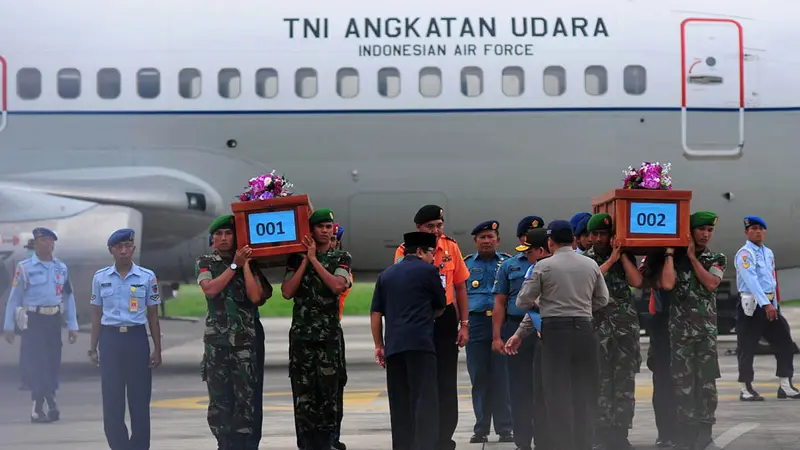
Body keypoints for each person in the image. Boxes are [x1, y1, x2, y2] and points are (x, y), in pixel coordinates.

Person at [516, 220, 609, 450]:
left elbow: (522, 301)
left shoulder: (544, 266)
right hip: (585, 331)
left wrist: (543, 305)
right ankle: (584, 444)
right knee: (585, 393)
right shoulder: (590, 264)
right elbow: (602, 300)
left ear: (550, 241)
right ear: (573, 238)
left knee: (557, 395)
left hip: (556, 333)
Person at [393, 204, 469, 450]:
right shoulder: (404, 251)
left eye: (439, 226)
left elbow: (460, 287)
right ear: (419, 228)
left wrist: (464, 324)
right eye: (430, 226)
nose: (436, 230)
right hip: (418, 320)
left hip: (445, 317)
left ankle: (444, 437)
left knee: (446, 381)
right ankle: (419, 437)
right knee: (420, 383)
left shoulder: (451, 247)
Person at [196, 215, 271, 449]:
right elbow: (210, 289)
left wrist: (245, 264)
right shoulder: (206, 262)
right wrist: (234, 266)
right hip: (217, 345)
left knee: (245, 401)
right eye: (218, 234)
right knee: (219, 401)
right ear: (212, 240)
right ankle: (223, 444)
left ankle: (243, 444)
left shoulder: (249, 264)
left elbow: (257, 296)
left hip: (244, 346)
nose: (223, 238)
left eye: (228, 233)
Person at [282, 208, 352, 450]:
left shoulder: (341, 258)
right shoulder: (295, 258)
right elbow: (287, 291)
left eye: (328, 227)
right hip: (302, 339)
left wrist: (314, 260)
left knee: (328, 398)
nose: (325, 231)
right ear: (311, 230)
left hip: (328, 340)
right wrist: (304, 260)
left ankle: (327, 443)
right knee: (303, 398)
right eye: (320, 227)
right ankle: (306, 444)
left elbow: (337, 286)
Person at [371, 231, 445, 450]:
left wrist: (379, 345)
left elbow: (376, 314)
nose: (433, 258)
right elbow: (441, 305)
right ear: (421, 251)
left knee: (399, 402)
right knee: (425, 400)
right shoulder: (429, 271)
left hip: (393, 346)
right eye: (431, 253)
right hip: (420, 345)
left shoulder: (386, 275)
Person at [88, 228, 162, 449]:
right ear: (111, 250)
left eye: (127, 246)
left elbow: (153, 316)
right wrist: (93, 347)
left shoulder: (147, 277)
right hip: (110, 341)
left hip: (136, 339)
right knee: (112, 400)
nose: (123, 251)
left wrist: (157, 348)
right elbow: (96, 315)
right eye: (118, 247)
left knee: (139, 400)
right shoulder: (100, 278)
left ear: (134, 249)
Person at [663, 211, 726, 450]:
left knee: (707, 384)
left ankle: (705, 434)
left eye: (710, 230)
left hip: (705, 334)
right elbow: (668, 284)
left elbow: (710, 283)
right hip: (680, 335)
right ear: (691, 232)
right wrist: (672, 254)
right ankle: (686, 434)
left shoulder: (717, 258)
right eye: (702, 229)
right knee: (683, 384)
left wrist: (692, 258)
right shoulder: (675, 259)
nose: (706, 234)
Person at [3, 227, 78, 423]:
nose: (46, 244)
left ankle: (50, 398)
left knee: (52, 363)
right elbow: (14, 298)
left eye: (49, 241)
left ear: (53, 243)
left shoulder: (61, 268)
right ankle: (37, 407)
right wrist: (8, 325)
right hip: (33, 320)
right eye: (42, 241)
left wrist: (72, 325)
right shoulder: (24, 268)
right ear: (36, 244)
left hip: (53, 319)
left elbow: (68, 297)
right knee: (37, 364)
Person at [582, 213, 643, 449]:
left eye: (604, 234)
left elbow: (637, 282)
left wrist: (622, 256)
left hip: (625, 331)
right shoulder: (585, 261)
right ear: (588, 236)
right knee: (600, 382)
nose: (599, 238)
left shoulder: (624, 258)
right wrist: (611, 259)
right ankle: (601, 433)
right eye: (595, 234)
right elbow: (590, 280)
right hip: (598, 331)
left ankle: (621, 432)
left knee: (624, 383)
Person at [491, 215, 544, 450]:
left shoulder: (551, 265)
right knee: (519, 387)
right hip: (516, 328)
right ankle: (522, 439)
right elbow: (500, 302)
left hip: (544, 330)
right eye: (526, 236)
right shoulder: (509, 265)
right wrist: (497, 336)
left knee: (544, 387)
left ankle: (545, 438)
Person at [735, 216, 800, 401]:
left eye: (761, 228)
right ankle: (746, 389)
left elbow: (770, 281)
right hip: (752, 306)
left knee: (785, 342)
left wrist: (774, 305)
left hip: (770, 305)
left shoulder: (768, 253)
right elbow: (752, 282)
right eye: (753, 228)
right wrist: (766, 304)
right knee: (747, 347)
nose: (758, 231)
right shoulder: (745, 254)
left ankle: (785, 385)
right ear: (747, 232)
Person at [462, 220, 513, 444]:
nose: (486, 241)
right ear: (475, 241)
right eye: (481, 237)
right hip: (476, 325)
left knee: (502, 377)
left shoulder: (508, 263)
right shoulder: (465, 265)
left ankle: (505, 428)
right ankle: (481, 428)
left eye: (490, 236)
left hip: (501, 325)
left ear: (497, 240)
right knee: (479, 377)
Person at [504, 228, 553, 450]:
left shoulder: (543, 269)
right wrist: (517, 334)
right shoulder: (533, 267)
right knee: (531, 391)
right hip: (537, 334)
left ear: (541, 250)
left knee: (550, 394)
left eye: (529, 250)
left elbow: (525, 303)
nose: (526, 255)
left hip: (553, 339)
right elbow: (530, 310)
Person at [639, 251, 678, 448]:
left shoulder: (693, 257)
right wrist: (668, 255)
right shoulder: (655, 257)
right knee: (663, 383)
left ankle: (688, 431)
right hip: (663, 324)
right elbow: (660, 283)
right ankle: (665, 432)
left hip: (686, 324)